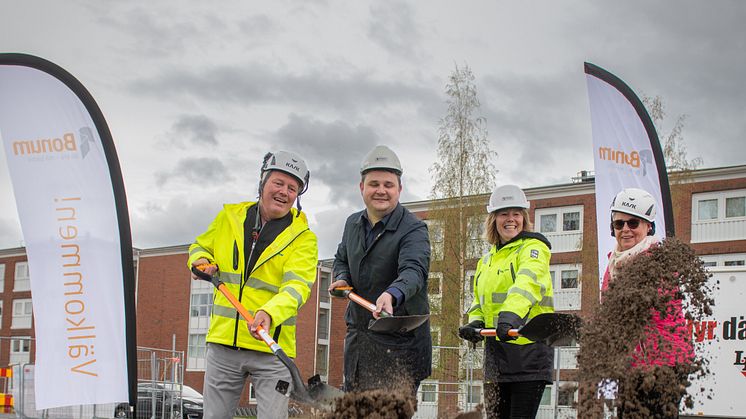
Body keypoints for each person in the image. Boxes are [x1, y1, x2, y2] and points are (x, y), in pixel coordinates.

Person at [187, 151, 317, 419]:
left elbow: (296, 287)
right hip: (223, 346)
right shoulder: (229, 218)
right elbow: (200, 245)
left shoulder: (303, 238)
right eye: (278, 183)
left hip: (271, 352)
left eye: (292, 188)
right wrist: (200, 259)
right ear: (262, 182)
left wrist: (269, 313)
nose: (284, 192)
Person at [329, 145, 432, 399]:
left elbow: (414, 270)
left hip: (400, 346)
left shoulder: (414, 228)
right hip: (359, 345)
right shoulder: (352, 224)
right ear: (362, 187)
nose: (381, 191)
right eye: (374, 184)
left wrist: (393, 294)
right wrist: (341, 278)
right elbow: (341, 259)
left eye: (389, 184)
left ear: (399, 189)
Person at [458, 184, 554, 419]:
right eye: (504, 213)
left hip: (527, 354)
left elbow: (527, 283)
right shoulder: (486, 261)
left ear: (524, 217)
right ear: (493, 219)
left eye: (516, 213)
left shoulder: (533, 248)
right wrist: (475, 323)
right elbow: (480, 301)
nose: (511, 219)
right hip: (496, 357)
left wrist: (509, 317)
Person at [601, 187, 693, 417]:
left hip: (665, 364)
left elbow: (642, 302)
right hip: (631, 364)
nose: (625, 230)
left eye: (633, 223)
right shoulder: (614, 263)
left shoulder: (658, 259)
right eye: (619, 224)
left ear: (648, 227)